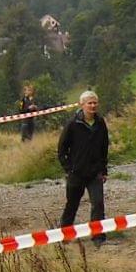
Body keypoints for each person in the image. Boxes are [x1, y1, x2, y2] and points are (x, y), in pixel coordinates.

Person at [57, 89, 110, 245]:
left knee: (98, 204)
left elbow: (104, 147)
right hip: (77, 173)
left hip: (95, 173)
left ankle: (98, 236)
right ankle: (65, 235)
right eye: (89, 103)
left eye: (95, 103)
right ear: (82, 105)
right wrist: (68, 169)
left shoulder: (100, 123)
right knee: (72, 204)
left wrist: (103, 170)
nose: (92, 106)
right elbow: (61, 149)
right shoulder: (72, 124)